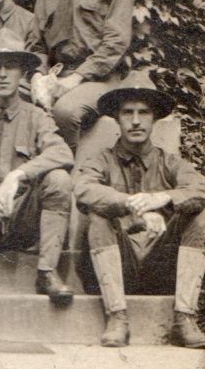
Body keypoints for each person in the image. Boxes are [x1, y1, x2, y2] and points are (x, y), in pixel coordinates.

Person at [0, 30, 75, 342]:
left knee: (58, 179)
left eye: (11, 66)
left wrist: (18, 175)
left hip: (22, 214)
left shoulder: (36, 116)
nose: (4, 74)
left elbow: (62, 152)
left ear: (23, 72)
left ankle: (47, 272)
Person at [74, 72, 205, 348]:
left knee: (200, 217)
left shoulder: (169, 162)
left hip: (158, 264)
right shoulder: (102, 160)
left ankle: (184, 318)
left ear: (155, 118)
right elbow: (84, 188)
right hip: (116, 264)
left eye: (143, 113)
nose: (135, 121)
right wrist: (129, 204)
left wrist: (163, 198)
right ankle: (117, 316)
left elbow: (199, 189)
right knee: (97, 215)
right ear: (116, 118)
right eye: (127, 113)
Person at [32, 0, 133, 148]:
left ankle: (68, 179)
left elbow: (116, 42)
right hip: (58, 76)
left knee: (65, 112)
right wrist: (38, 78)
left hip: (101, 78)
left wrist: (76, 78)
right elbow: (37, 46)